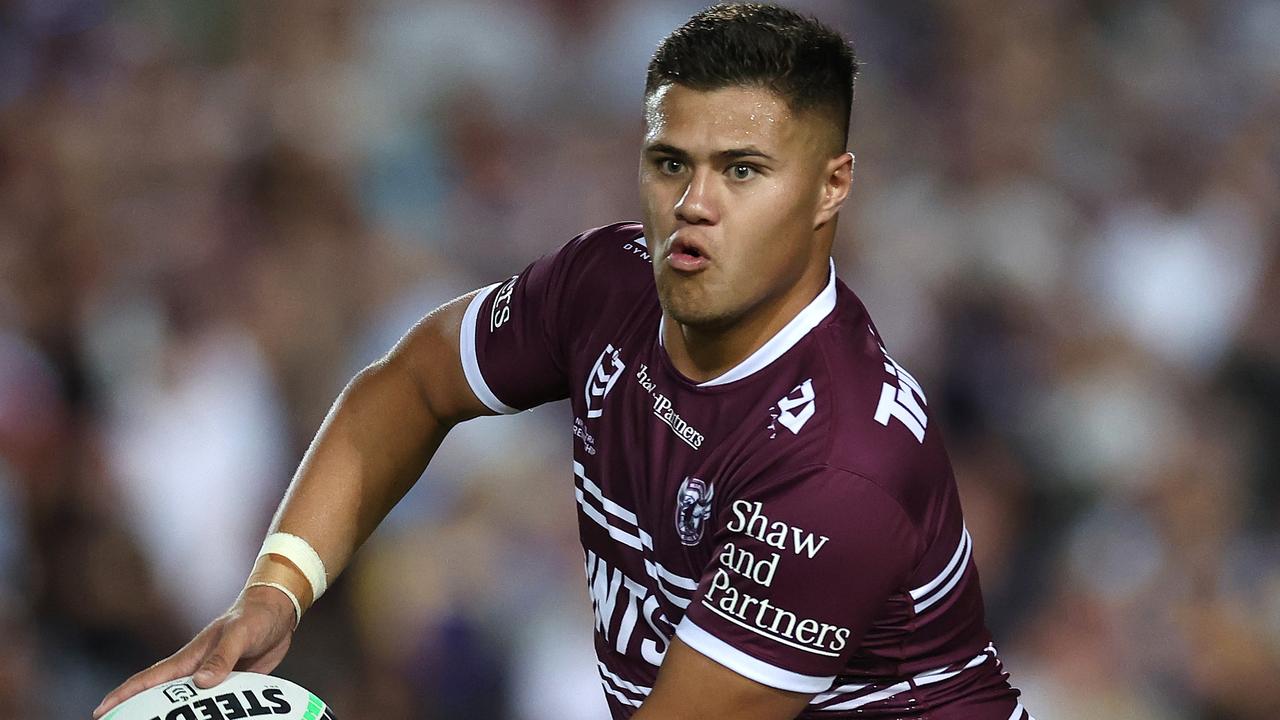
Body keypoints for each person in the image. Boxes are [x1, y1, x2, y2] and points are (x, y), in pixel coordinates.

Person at [95, 4, 1032, 719]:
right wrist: (276, 592)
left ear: (833, 185)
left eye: (743, 170)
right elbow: (409, 386)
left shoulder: (842, 463)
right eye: (671, 163)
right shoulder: (605, 282)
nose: (694, 205)